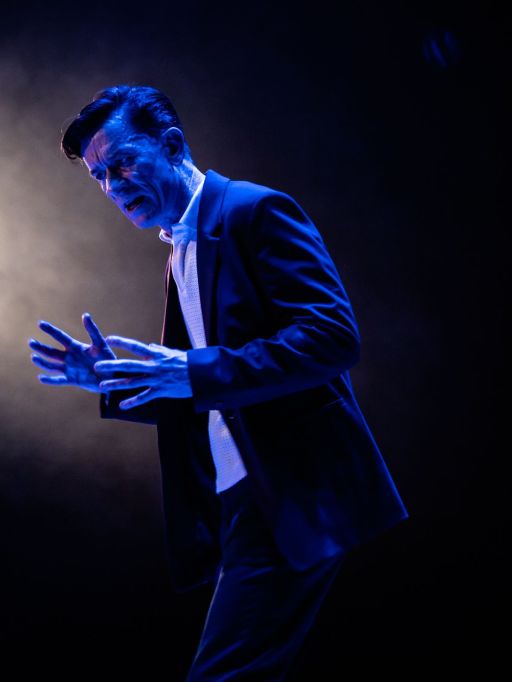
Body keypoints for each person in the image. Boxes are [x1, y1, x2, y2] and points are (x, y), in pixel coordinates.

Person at [28, 84, 408, 680]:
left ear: (171, 144)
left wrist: (192, 370)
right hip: (245, 500)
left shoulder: (252, 211)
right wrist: (108, 380)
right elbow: (201, 392)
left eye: (122, 162)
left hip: (289, 492)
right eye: (99, 176)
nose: (112, 186)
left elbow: (332, 338)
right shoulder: (180, 250)